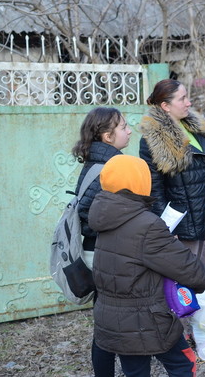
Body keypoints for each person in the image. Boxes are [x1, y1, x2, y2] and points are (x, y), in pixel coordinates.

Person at [89, 155, 205, 376]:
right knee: (183, 365)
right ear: (140, 182)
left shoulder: (103, 217)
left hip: (113, 321)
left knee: (135, 372)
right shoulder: (146, 225)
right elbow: (192, 272)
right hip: (149, 320)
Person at [139, 79, 205, 267]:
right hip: (181, 224)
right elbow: (154, 189)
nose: (188, 103)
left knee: (202, 277)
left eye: (187, 97)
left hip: (201, 217)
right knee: (185, 283)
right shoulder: (154, 138)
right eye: (182, 99)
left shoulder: (194, 128)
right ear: (166, 106)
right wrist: (166, 227)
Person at [71, 106, 131, 376]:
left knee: (108, 322)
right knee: (117, 323)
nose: (129, 131)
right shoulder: (107, 166)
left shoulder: (101, 162)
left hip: (102, 252)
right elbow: (88, 213)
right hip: (105, 254)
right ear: (107, 136)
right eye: (123, 127)